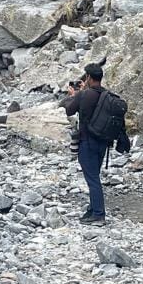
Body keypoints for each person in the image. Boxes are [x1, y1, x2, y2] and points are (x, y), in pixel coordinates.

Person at [62, 62, 108, 224]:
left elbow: (69, 110)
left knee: (92, 179)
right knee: (94, 176)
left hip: (87, 142)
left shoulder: (84, 95)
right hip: (103, 142)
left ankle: (99, 214)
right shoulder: (106, 94)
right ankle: (92, 209)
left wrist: (73, 95)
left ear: (88, 77)